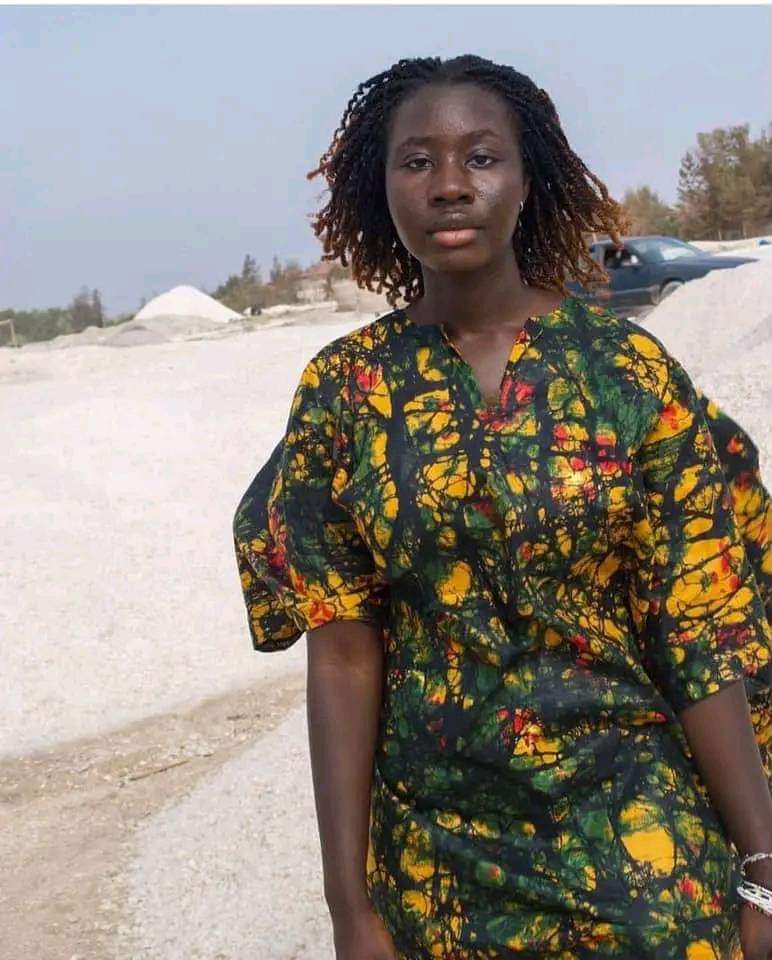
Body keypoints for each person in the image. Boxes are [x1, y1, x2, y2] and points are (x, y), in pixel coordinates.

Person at [233, 55, 772, 960]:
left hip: (639, 847)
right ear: (381, 188)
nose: (450, 185)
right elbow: (344, 656)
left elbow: (697, 630)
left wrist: (761, 866)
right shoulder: (344, 391)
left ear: (528, 181)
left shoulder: (626, 372)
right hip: (435, 867)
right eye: (417, 161)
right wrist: (348, 906)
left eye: (481, 158)